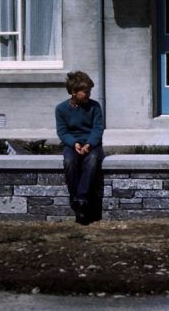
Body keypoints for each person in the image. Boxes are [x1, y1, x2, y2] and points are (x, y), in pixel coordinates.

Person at [55, 70, 104, 225]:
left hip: (92, 144)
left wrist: (89, 144)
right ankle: (76, 199)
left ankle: (81, 199)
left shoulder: (95, 107)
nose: (89, 94)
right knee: (69, 161)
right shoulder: (61, 109)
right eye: (85, 92)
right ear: (74, 92)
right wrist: (74, 143)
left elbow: (98, 128)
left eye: (90, 91)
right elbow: (62, 132)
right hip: (73, 144)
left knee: (92, 160)